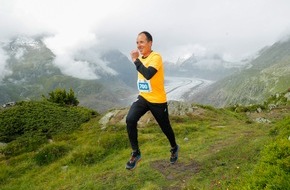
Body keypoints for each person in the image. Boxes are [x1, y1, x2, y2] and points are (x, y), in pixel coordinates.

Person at [125, 31, 179, 170]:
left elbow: (148, 74)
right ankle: (135, 153)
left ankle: (174, 147)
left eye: (141, 42)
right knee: (130, 119)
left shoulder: (156, 57)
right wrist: (138, 60)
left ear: (150, 43)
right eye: (137, 42)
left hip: (157, 100)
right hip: (143, 97)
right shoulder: (141, 58)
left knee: (165, 127)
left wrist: (136, 60)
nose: (139, 45)